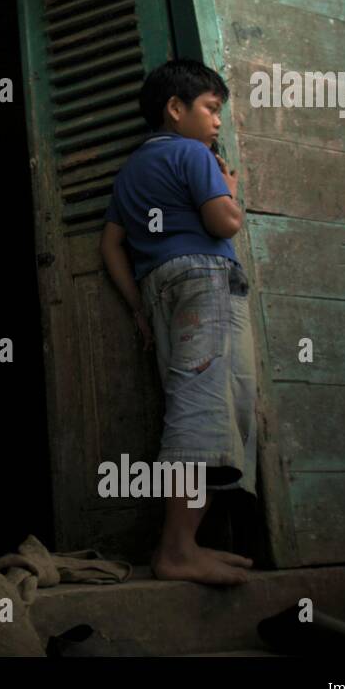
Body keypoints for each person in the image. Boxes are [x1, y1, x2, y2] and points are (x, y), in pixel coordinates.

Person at [100, 59, 257, 585]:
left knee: (194, 397)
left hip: (161, 284)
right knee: (204, 406)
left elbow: (111, 245)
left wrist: (139, 307)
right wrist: (228, 188)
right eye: (212, 109)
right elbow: (223, 221)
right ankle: (177, 550)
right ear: (176, 109)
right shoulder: (195, 154)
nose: (218, 123)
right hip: (205, 277)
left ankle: (189, 544)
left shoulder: (130, 172)